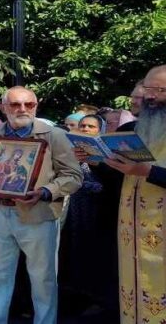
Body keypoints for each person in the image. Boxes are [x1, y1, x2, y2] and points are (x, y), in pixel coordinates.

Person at [0, 86, 83, 324]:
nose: (22, 109)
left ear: (36, 106)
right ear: (3, 108)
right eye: (15, 105)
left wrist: (45, 191)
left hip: (38, 215)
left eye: (29, 105)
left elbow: (73, 176)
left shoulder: (54, 135)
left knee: (43, 278)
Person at [75, 65, 166, 323]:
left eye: (160, 90)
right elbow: (121, 179)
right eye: (148, 88)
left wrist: (149, 172)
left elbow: (142, 172)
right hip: (133, 238)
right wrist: (96, 161)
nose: (151, 96)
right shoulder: (135, 129)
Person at [58, 115, 108, 314]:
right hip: (71, 211)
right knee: (71, 251)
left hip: (97, 211)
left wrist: (82, 185)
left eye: (91, 126)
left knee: (92, 253)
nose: (86, 129)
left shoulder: (109, 154)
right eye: (83, 126)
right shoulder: (71, 151)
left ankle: (95, 299)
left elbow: (111, 184)